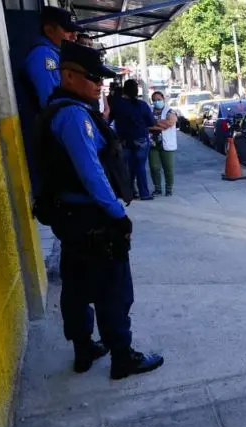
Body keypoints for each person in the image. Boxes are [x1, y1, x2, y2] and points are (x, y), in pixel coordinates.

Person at [33, 42, 164, 379]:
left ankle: (84, 348)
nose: (98, 84)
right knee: (114, 288)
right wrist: (118, 216)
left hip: (71, 218)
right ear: (69, 76)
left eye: (100, 79)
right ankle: (122, 356)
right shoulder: (75, 115)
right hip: (92, 217)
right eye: (92, 78)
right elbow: (91, 172)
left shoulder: (61, 108)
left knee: (76, 286)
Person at [22, 6, 81, 111]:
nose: (74, 36)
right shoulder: (44, 54)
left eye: (75, 31)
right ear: (49, 30)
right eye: (68, 30)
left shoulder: (55, 53)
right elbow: (51, 101)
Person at [110, 79, 158, 200]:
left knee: (128, 167)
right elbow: (151, 122)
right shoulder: (142, 105)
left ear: (124, 90)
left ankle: (130, 192)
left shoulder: (117, 105)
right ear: (137, 91)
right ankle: (144, 193)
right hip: (141, 139)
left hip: (124, 140)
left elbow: (109, 120)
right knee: (140, 166)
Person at [149, 91, 178, 196]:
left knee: (168, 168)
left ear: (163, 99)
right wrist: (161, 124)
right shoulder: (149, 111)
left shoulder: (170, 111)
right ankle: (157, 188)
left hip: (166, 144)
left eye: (159, 99)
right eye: (154, 100)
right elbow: (145, 125)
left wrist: (154, 123)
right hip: (152, 144)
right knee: (154, 167)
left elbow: (169, 123)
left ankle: (169, 188)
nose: (157, 102)